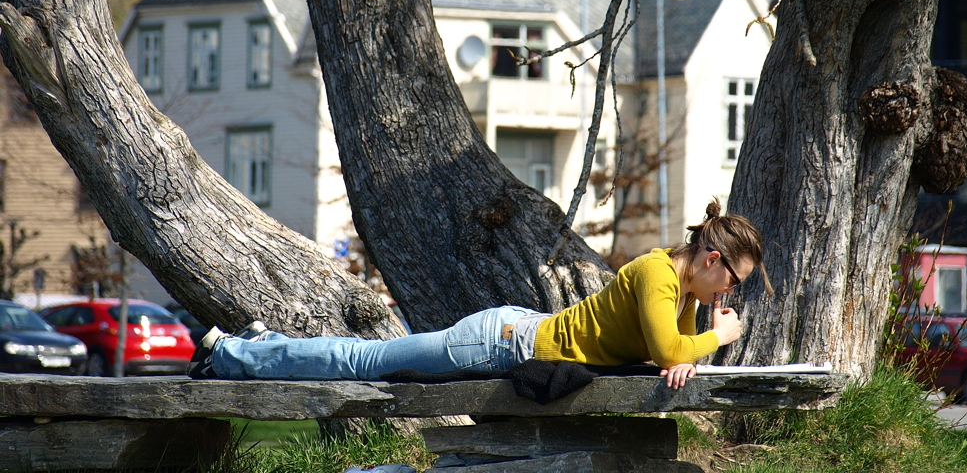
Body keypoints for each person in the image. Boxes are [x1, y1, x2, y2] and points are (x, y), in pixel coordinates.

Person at [188, 198, 773, 388]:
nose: (731, 294)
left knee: (366, 360)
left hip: (516, 334)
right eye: (734, 280)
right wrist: (714, 339)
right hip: (498, 345)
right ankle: (233, 353)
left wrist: (690, 344)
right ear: (712, 259)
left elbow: (667, 351)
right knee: (362, 360)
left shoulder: (684, 289)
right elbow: (671, 352)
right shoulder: (656, 275)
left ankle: (258, 345)